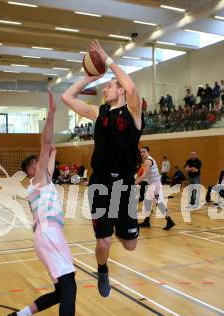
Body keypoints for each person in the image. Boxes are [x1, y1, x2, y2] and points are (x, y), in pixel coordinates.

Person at [4, 92, 95, 316]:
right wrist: (52, 113)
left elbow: (50, 154)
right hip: (48, 233)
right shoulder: (38, 179)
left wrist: (53, 151)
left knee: (61, 291)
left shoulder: (41, 182)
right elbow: (45, 144)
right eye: (38, 162)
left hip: (48, 234)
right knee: (70, 287)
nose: (42, 163)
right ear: (33, 169)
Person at [62, 40, 143, 298]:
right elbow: (67, 97)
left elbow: (130, 85)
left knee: (130, 245)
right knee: (103, 241)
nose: (105, 87)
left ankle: (118, 227)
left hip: (126, 186)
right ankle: (102, 269)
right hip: (100, 183)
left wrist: (107, 60)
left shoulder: (133, 113)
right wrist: (88, 77)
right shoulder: (99, 113)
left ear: (119, 92)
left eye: (108, 85)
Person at [136, 147, 175, 230]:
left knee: (159, 203)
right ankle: (146, 221)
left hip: (155, 186)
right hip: (152, 185)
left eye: (144, 151)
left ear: (148, 152)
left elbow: (144, 175)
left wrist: (134, 182)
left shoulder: (147, 161)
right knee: (147, 203)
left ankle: (169, 221)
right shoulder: (149, 160)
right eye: (141, 152)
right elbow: (146, 175)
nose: (142, 153)